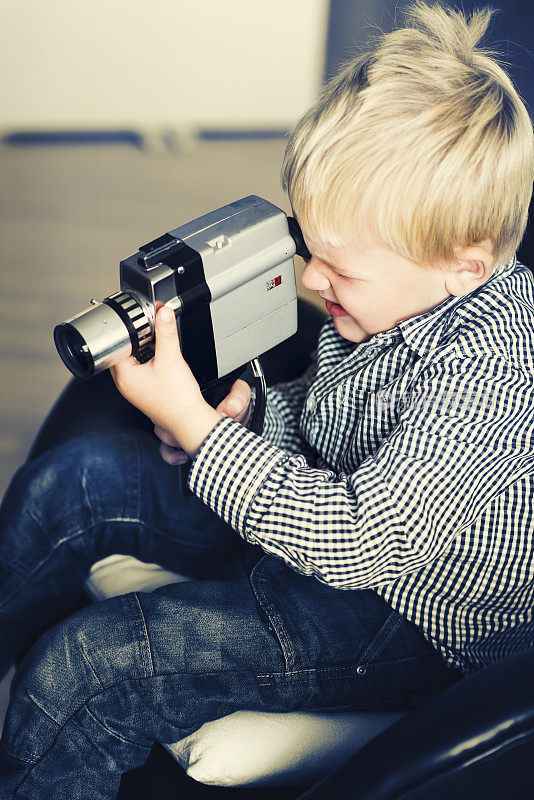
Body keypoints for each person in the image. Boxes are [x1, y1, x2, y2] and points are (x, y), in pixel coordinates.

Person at [1, 2, 534, 797]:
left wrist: (195, 428)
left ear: (464, 263)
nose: (314, 284)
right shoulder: (398, 295)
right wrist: (250, 418)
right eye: (307, 249)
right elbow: (338, 422)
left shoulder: (494, 373)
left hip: (403, 615)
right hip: (315, 527)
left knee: (84, 670)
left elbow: (359, 539)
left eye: (339, 270)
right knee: (68, 485)